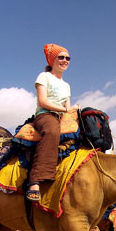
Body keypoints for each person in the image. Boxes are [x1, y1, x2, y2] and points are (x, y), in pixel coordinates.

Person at [25, 43, 80, 202]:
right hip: (45, 115)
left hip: (61, 116)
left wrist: (73, 111)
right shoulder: (44, 76)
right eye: (60, 57)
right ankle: (34, 182)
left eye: (67, 58)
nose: (65, 60)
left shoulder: (67, 85)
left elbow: (67, 107)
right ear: (52, 60)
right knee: (52, 131)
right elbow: (42, 101)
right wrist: (64, 111)